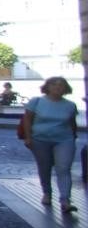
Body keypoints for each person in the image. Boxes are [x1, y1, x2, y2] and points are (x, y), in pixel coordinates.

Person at [20, 76, 79, 214]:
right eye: (54, 85)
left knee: (63, 168)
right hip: (40, 139)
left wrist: (73, 137)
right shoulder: (37, 101)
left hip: (64, 139)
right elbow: (27, 120)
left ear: (66, 88)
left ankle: (65, 200)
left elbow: (72, 124)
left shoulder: (70, 105)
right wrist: (28, 138)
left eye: (61, 85)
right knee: (44, 167)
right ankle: (47, 193)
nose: (58, 87)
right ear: (47, 87)